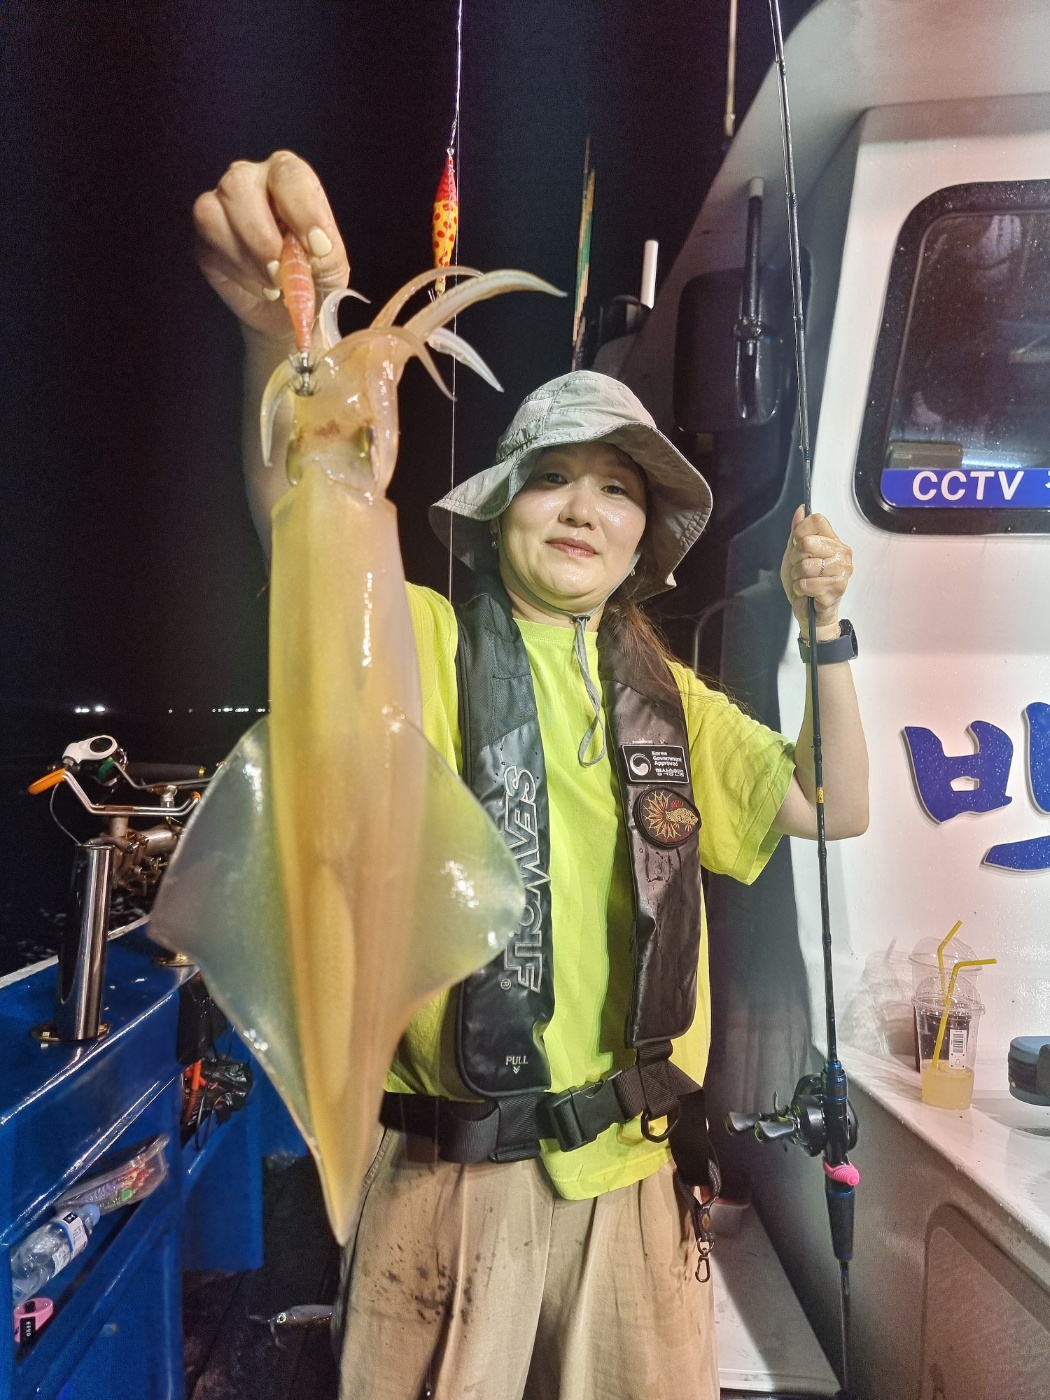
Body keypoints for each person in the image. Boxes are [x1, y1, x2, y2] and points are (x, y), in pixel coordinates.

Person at [194, 152, 869, 1400]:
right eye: (551, 476)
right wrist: (288, 343)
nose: (581, 508)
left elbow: (833, 804)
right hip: (452, 1187)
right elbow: (309, 533)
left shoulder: (675, 698)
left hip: (639, 1177)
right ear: (498, 505)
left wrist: (824, 634)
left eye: (617, 489)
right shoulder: (423, 641)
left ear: (644, 537)